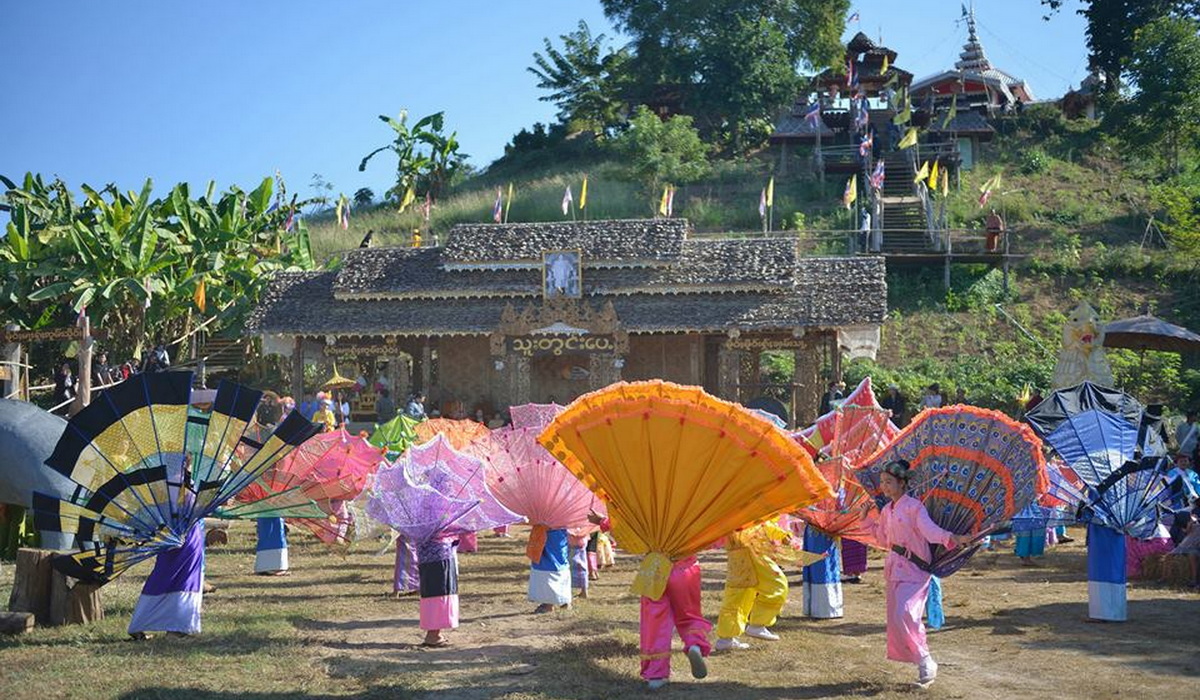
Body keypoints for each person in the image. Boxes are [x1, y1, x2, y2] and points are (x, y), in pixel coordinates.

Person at [864, 460, 971, 687]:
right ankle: (923, 663)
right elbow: (883, 540)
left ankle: (925, 660)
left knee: (906, 613)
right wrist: (867, 518)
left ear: (902, 483)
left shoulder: (914, 507)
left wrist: (953, 537)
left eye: (889, 482)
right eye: (883, 482)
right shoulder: (886, 510)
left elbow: (930, 532)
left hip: (915, 569)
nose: (884, 486)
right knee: (896, 617)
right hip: (894, 568)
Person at [589, 509, 708, 689]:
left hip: (654, 567)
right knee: (689, 615)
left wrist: (603, 521)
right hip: (685, 568)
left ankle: (656, 675)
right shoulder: (690, 506)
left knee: (655, 621)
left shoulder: (648, 504)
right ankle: (694, 645)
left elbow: (629, 534)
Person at [715, 521, 791, 651]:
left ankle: (726, 639)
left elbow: (760, 520)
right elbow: (758, 519)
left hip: (739, 555)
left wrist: (780, 534)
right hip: (750, 554)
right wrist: (780, 534)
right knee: (777, 586)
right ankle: (757, 624)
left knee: (738, 596)